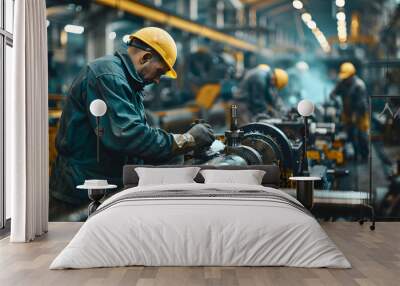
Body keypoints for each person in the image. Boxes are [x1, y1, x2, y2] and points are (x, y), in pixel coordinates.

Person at [50, 27, 215, 219]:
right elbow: (127, 135)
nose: (158, 80)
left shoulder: (128, 82)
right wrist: (186, 139)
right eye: (159, 71)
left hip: (101, 183)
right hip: (79, 191)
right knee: (62, 244)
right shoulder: (108, 75)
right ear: (145, 58)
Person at [330, 62, 369, 161]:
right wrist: (335, 99)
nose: (345, 79)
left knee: (361, 135)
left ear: (352, 75)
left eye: (347, 77)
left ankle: (364, 156)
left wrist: (355, 116)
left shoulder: (359, 86)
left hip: (360, 114)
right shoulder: (342, 83)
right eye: (344, 77)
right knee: (350, 134)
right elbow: (333, 94)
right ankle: (355, 155)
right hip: (347, 113)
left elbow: (361, 104)